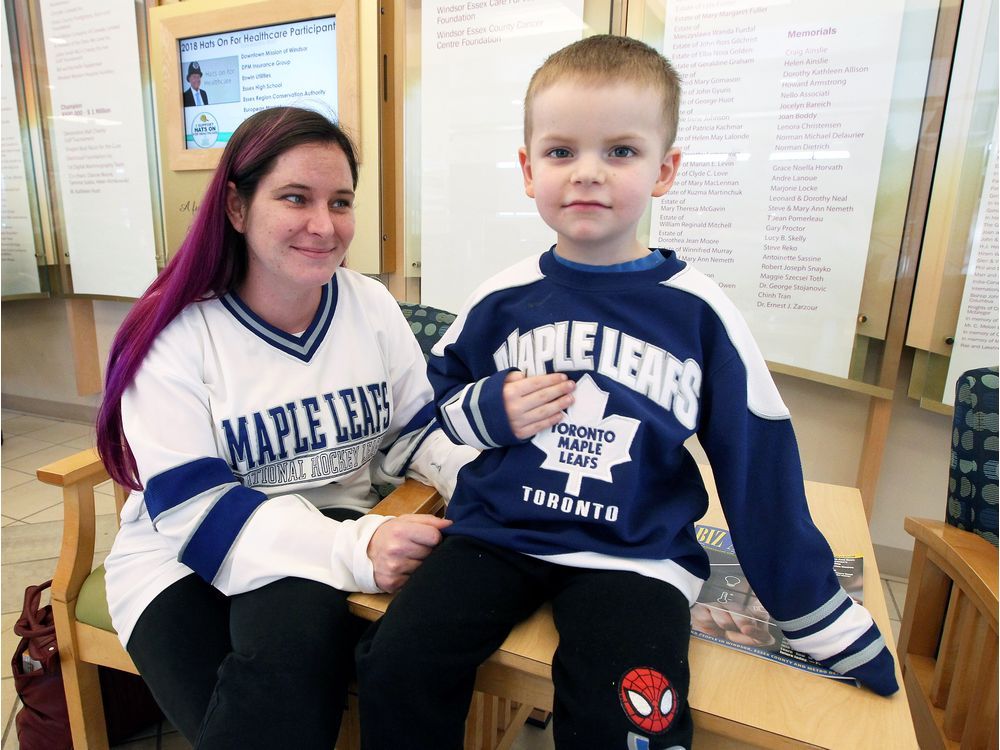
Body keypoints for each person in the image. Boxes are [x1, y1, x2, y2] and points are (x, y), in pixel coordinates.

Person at [356, 34, 898, 750]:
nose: (587, 174)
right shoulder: (501, 298)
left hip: (634, 556)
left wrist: (816, 614)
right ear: (527, 169)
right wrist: (489, 410)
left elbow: (757, 465)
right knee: (396, 664)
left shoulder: (699, 311)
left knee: (636, 717)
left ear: (664, 169)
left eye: (620, 151)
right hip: (498, 537)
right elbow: (425, 411)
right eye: (560, 152)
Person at [96, 106, 475, 749]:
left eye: (341, 202)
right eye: (295, 198)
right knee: (273, 696)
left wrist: (478, 485)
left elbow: (419, 431)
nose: (324, 226)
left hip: (327, 538)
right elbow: (198, 514)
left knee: (298, 648)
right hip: (179, 558)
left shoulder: (369, 304)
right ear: (238, 208)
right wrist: (356, 550)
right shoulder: (177, 333)